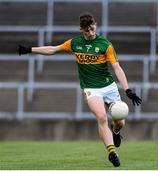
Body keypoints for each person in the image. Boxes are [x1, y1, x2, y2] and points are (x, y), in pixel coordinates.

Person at [17, 12, 142, 167]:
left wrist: (128, 90)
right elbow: (53, 49)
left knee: (120, 121)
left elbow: (117, 68)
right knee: (102, 117)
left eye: (93, 28)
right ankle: (111, 152)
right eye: (87, 30)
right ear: (81, 30)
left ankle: (115, 131)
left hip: (108, 87)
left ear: (95, 24)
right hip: (91, 88)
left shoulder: (105, 44)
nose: (91, 32)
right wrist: (30, 49)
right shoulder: (75, 43)